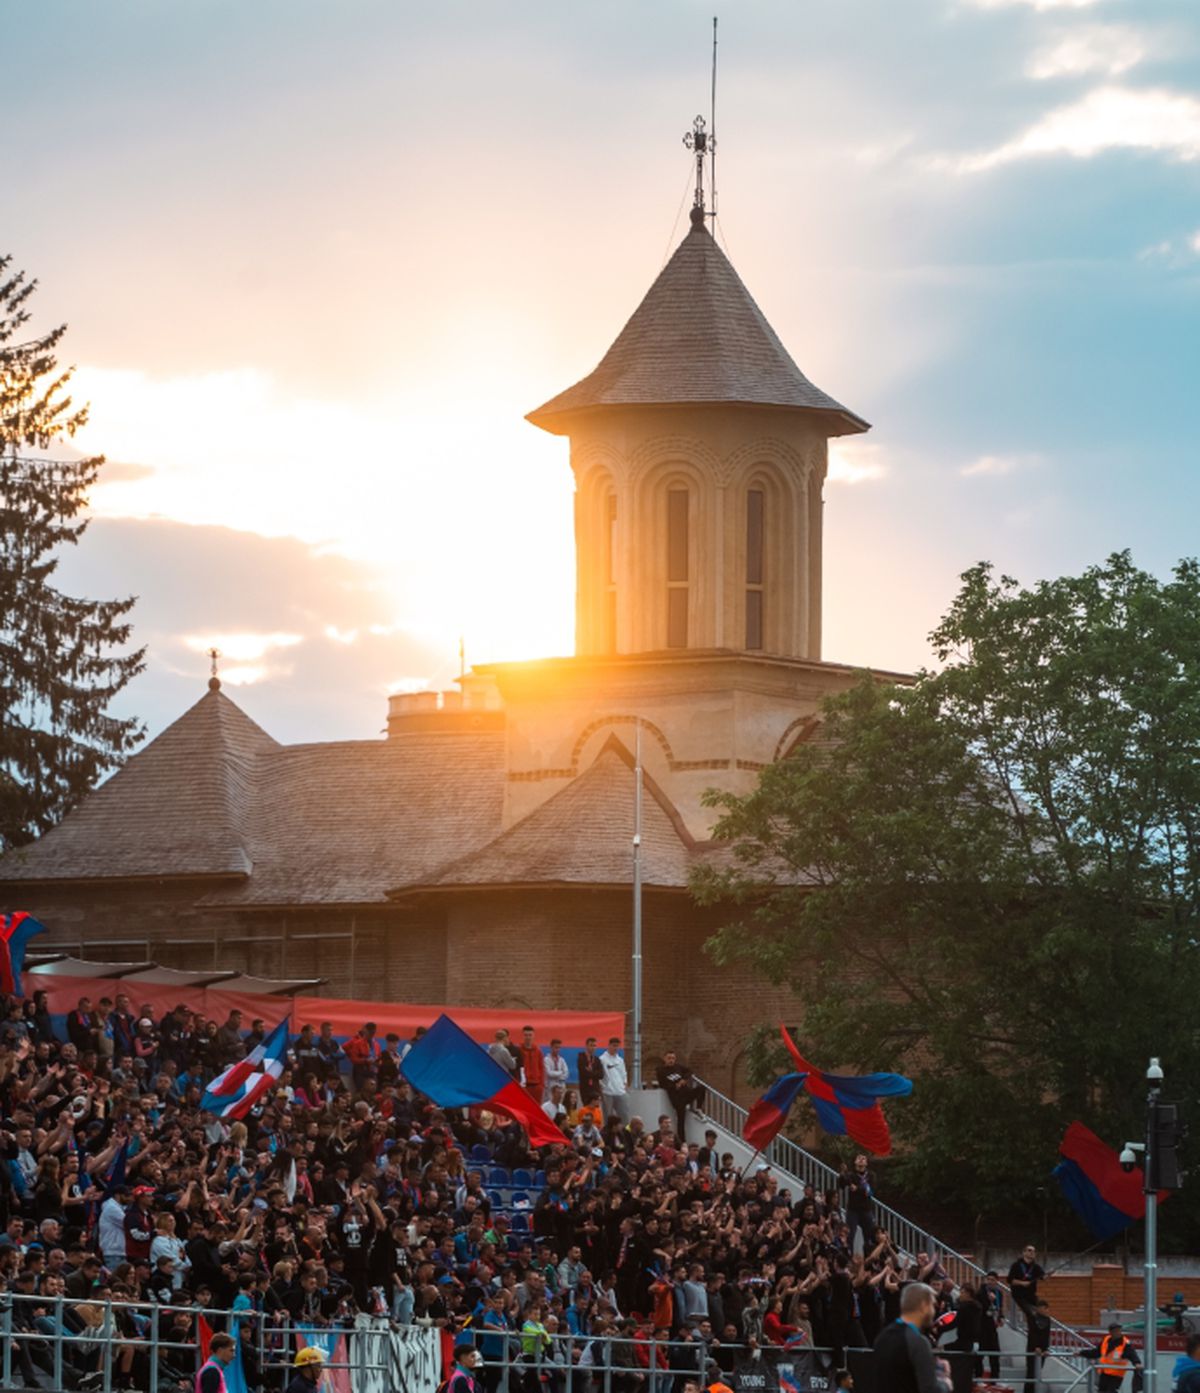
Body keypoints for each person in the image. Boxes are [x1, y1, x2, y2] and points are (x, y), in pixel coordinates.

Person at [872, 1281, 944, 1393]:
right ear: (924, 1306)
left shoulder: (882, 1337)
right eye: (932, 1305)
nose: (933, 1311)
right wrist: (944, 1381)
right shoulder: (918, 1342)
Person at [656, 1050, 704, 1140]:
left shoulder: (678, 1067)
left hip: (686, 1093)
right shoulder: (661, 1070)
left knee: (701, 1088)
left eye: (673, 1058)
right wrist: (674, 1086)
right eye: (669, 1058)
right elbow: (662, 1084)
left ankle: (699, 1108)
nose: (671, 1060)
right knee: (681, 1121)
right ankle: (682, 1141)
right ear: (664, 1059)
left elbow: (689, 1071)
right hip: (677, 1099)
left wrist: (684, 1080)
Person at [1082, 1322, 1143, 1392]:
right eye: (1115, 1331)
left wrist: (1137, 1363)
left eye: (1119, 1330)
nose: (1118, 1332)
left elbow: (1132, 1354)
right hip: (1104, 1372)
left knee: (1111, 1391)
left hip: (1116, 1374)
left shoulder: (1124, 1343)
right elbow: (1096, 1352)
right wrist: (1082, 1353)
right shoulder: (1106, 1340)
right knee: (1102, 1391)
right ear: (1110, 1332)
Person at [1008, 1244, 1045, 1321]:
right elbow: (1010, 1280)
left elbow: (1043, 1277)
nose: (1032, 1252)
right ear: (1024, 1253)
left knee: (1043, 1307)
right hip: (1019, 1295)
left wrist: (1048, 1275)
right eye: (1029, 1250)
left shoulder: (1036, 1267)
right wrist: (1022, 1283)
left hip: (1031, 1294)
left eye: (1034, 1251)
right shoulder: (1016, 1265)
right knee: (1030, 1313)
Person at [977, 1270, 1004, 1379]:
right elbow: (979, 1308)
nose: (990, 1282)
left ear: (997, 1281)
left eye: (992, 1280)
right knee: (979, 1355)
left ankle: (995, 1380)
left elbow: (999, 1307)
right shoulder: (981, 1292)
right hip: (982, 1328)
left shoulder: (999, 1293)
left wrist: (1001, 1317)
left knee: (995, 1354)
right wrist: (987, 1300)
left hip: (992, 1328)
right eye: (988, 1279)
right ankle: (978, 1377)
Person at [1025, 1298, 1052, 1393]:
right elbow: (1032, 1334)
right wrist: (1036, 1347)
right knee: (1031, 1373)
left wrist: (1046, 1349)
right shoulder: (1033, 1318)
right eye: (1043, 1308)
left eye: (1046, 1309)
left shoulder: (1048, 1320)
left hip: (1042, 1351)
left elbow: (1046, 1335)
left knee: (1038, 1372)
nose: (1046, 1311)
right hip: (1033, 1349)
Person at [600, 1037, 628, 1120]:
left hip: (620, 1092)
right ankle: (607, 1132)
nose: (615, 1048)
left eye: (617, 1046)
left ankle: (625, 1132)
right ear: (609, 1046)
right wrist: (603, 1086)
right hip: (607, 1092)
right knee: (608, 1116)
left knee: (624, 1115)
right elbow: (600, 1075)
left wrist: (624, 1084)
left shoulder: (620, 1060)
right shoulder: (602, 1059)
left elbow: (624, 1073)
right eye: (614, 1045)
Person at [518, 1026, 546, 1100]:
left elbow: (541, 1068)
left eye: (530, 1035)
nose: (528, 1037)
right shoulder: (518, 1050)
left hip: (537, 1086)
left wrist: (541, 1085)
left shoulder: (538, 1051)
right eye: (526, 1035)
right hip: (524, 1085)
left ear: (533, 1036)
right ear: (523, 1036)